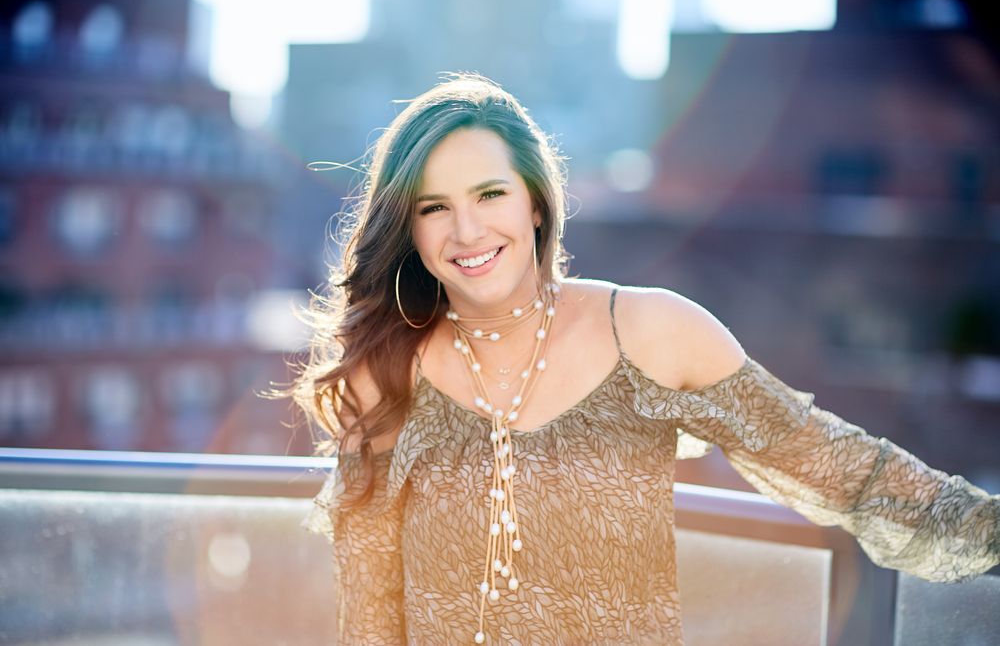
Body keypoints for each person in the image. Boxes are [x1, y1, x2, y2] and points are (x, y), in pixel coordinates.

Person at [286, 73, 999, 644]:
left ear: (536, 203)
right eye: (433, 207)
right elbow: (371, 613)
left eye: (490, 194)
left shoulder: (651, 330)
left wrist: (988, 528)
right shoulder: (385, 369)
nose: (466, 229)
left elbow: (841, 468)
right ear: (409, 229)